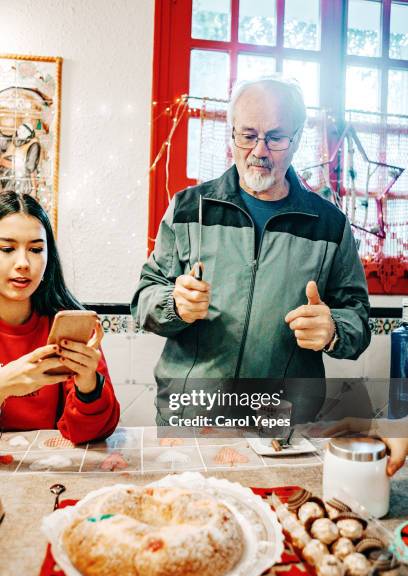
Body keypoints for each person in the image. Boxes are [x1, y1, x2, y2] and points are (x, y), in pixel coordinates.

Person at [132, 76, 371, 426]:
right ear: (232, 135)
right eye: (248, 136)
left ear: (297, 140)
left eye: (275, 137)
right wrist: (174, 305)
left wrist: (334, 330)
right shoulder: (188, 208)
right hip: (191, 420)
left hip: (284, 426)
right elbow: (143, 300)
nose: (259, 150)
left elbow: (358, 318)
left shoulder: (329, 225)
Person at [0, 191, 120, 443]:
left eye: (35, 249)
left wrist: (88, 384)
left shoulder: (69, 325)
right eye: (7, 248)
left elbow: (90, 433)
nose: (23, 262)